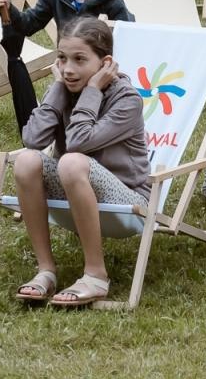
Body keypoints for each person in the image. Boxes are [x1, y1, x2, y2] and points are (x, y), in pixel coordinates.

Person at [10, 19, 150, 308]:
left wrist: (92, 91)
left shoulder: (127, 100)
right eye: (62, 58)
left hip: (127, 202)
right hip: (75, 189)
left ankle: (96, 275)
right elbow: (32, 138)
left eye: (79, 59)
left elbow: (77, 142)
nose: (68, 69)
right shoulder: (65, 88)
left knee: (72, 161)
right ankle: (46, 270)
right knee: (26, 161)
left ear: (105, 63)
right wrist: (58, 90)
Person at [0, 0, 134, 131]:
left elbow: (128, 34)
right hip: (67, 68)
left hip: (99, 73)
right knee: (57, 121)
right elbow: (28, 25)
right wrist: (8, 9)